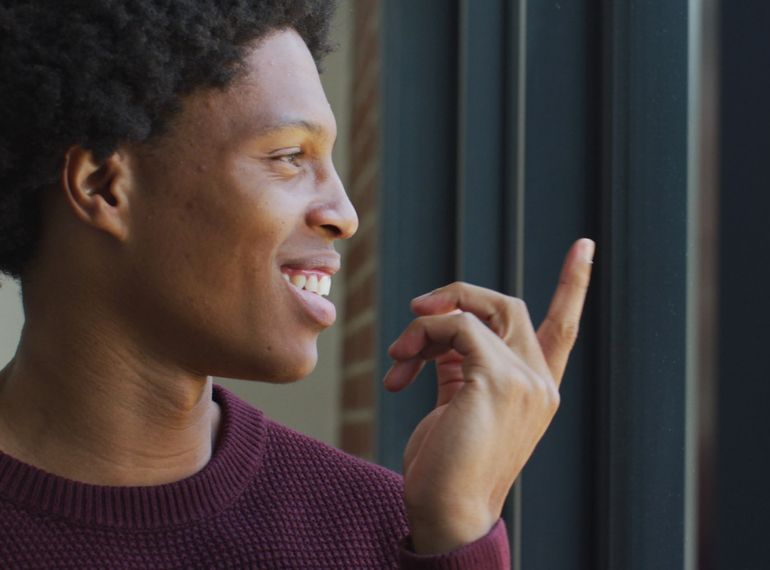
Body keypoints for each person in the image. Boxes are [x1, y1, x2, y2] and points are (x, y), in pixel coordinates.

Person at [0, 1, 593, 567]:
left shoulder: (388, 530)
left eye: (330, 160)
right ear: (104, 185)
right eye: (289, 156)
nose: (344, 212)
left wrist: (459, 532)